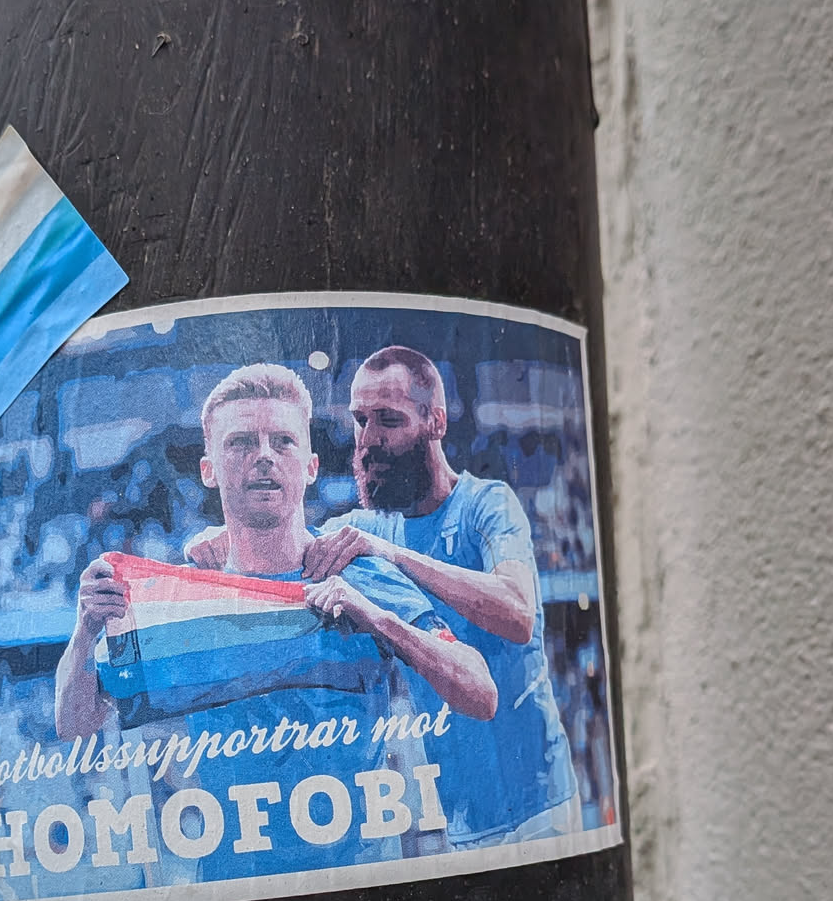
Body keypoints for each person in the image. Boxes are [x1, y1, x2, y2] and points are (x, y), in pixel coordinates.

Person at [55, 363, 496, 877]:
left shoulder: (365, 579)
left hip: (358, 885)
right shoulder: (183, 595)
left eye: (282, 441)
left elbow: (480, 693)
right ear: (209, 468)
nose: (264, 455)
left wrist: (378, 619)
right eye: (242, 442)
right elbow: (75, 725)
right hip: (233, 890)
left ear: (309, 466)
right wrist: (85, 631)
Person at [188, 345, 578, 846]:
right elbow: (282, 531)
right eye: (360, 422)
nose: (368, 440)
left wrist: (393, 555)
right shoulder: (366, 527)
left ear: (434, 421)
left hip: (536, 797)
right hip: (461, 810)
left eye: (387, 421)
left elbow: (518, 614)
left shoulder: (487, 504)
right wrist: (213, 540)